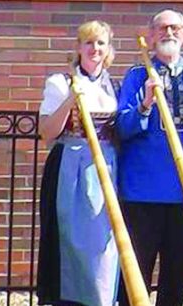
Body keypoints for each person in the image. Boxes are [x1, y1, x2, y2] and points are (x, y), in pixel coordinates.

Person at [114, 10, 183, 306]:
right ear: (150, 36)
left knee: (177, 280)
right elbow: (122, 128)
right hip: (142, 194)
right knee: (134, 279)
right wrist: (146, 103)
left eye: (176, 28)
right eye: (161, 28)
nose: (169, 33)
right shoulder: (137, 75)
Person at [37, 21, 120, 306]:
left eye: (100, 43)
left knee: (105, 244)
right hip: (70, 166)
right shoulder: (60, 82)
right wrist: (71, 99)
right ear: (78, 47)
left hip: (106, 167)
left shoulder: (114, 85)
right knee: (71, 240)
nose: (94, 49)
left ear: (108, 50)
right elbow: (47, 132)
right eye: (88, 42)